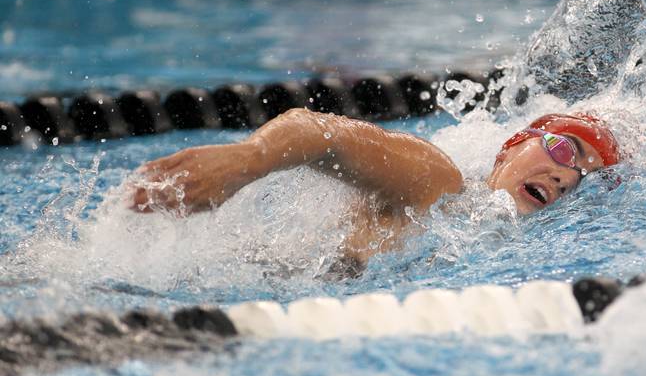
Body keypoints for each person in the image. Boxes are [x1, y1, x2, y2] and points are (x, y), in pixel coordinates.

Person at [133, 108, 619, 268]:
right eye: (565, 150)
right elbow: (324, 133)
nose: (569, 175)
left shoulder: (510, 251)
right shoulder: (439, 182)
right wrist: (246, 160)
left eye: (585, 176)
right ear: (512, 147)